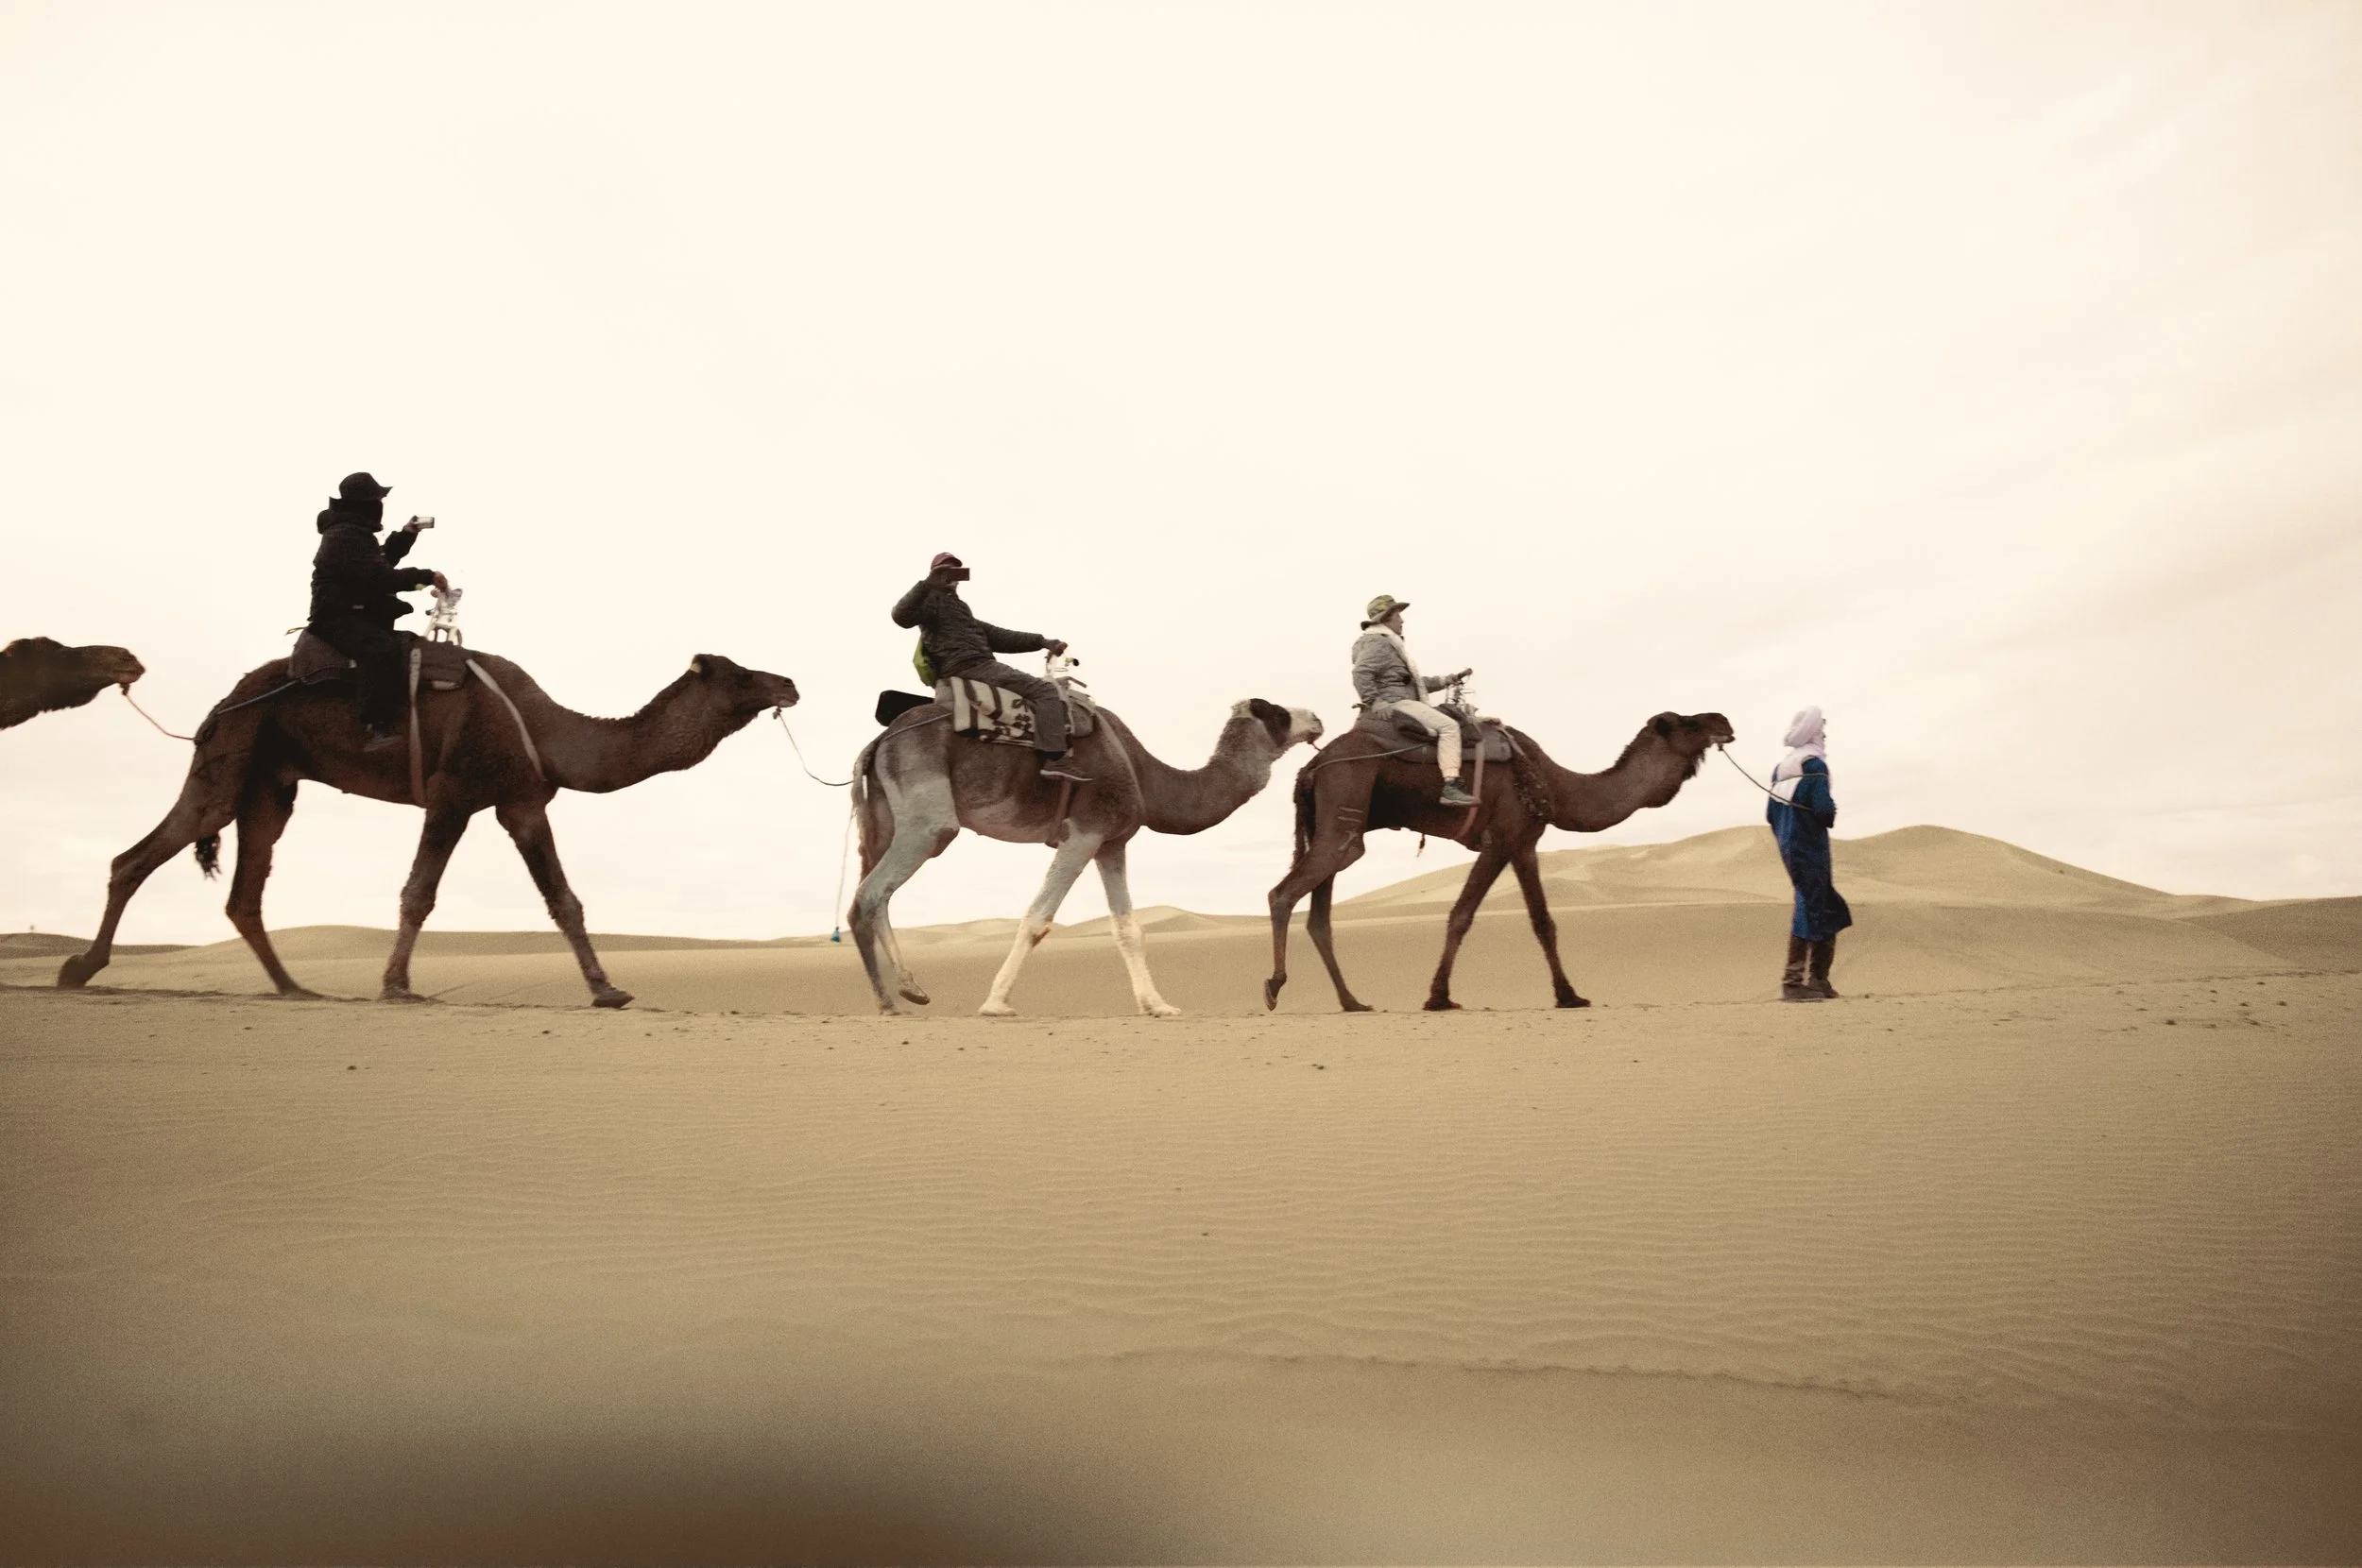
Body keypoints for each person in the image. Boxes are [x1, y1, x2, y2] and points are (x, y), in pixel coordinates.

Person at [891, 553, 1085, 782]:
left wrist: (1041, 641)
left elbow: (1000, 636)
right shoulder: (931, 602)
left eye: (955, 571)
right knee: (1046, 691)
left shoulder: (960, 610)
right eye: (945, 570)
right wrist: (926, 584)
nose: (952, 575)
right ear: (935, 574)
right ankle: (1055, 758)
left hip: (975, 666)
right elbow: (900, 616)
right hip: (971, 667)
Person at [307, 472, 445, 748]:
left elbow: (379, 560)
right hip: (336, 617)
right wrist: (427, 576)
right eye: (378, 498)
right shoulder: (344, 535)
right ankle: (373, 726)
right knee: (381, 650)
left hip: (352, 612)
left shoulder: (352, 533)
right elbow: (379, 575)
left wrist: (406, 535)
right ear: (366, 503)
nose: (381, 503)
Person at [1351, 594, 1476, 807]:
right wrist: (1375, 701)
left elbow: (1409, 683)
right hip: (1396, 702)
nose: (1402, 620)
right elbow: (1361, 672)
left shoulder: (1383, 642)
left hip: (1398, 697)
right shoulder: (1379, 643)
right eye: (1398, 615)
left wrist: (1445, 680)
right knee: (1449, 726)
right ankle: (1451, 786)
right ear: (1386, 618)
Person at [1767, 705, 1852, 1000]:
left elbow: (1770, 814)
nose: (1825, 735)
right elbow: (1824, 809)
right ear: (1814, 732)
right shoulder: (1814, 765)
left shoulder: (1780, 770)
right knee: (1811, 903)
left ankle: (1819, 980)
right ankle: (1794, 982)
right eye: (1822, 730)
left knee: (1824, 903)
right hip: (1811, 846)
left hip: (1790, 845)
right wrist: (1828, 814)